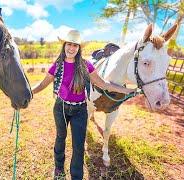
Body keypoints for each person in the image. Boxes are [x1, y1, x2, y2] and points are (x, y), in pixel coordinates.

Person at [31, 30, 135, 180]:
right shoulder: (58, 65)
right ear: (64, 45)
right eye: (69, 44)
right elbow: (43, 83)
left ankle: (76, 176)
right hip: (60, 107)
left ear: (79, 48)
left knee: (78, 146)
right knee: (60, 137)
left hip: (80, 109)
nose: (71, 48)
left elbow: (104, 84)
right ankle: (59, 168)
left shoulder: (86, 65)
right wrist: (29, 93)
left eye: (75, 45)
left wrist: (126, 90)